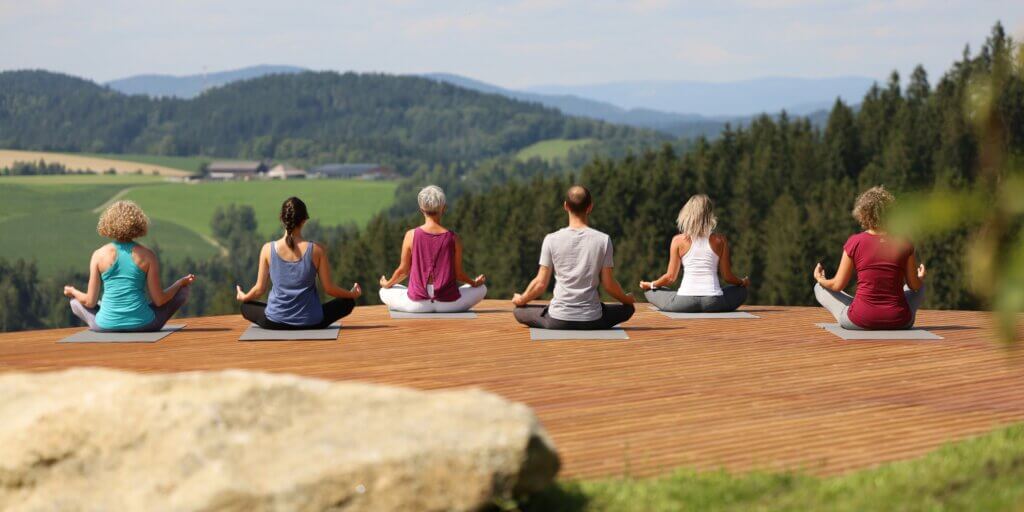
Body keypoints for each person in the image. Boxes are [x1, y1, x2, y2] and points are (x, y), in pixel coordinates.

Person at [512, 185, 635, 329]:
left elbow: (540, 284)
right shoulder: (603, 240)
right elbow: (609, 285)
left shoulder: (551, 239)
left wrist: (522, 299)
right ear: (590, 207)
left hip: (558, 320)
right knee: (628, 309)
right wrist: (627, 299)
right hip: (592, 319)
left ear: (566, 206)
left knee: (519, 311)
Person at [63, 200, 195, 331]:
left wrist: (72, 291)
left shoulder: (98, 255)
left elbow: (90, 302)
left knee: (75, 301)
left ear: (108, 223)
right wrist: (179, 283)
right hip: (145, 324)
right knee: (183, 291)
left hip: (105, 325)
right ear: (138, 224)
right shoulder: (148, 255)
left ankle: (105, 311)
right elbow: (159, 301)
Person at [236, 197, 362, 329]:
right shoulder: (317, 250)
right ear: (304, 220)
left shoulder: (267, 249)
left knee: (246, 307)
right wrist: (351, 294)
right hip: (311, 321)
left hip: (275, 322)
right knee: (347, 302)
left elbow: (259, 289)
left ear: (282, 219)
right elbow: (329, 289)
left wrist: (244, 296)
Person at [813, 186, 926, 330]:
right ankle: (867, 306)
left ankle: (863, 306)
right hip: (900, 321)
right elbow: (914, 286)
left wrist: (820, 278)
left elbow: (837, 285)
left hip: (860, 320)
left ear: (863, 214)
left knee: (819, 288)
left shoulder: (855, 242)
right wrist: (920, 278)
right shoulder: (903, 242)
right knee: (921, 288)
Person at [379, 185, 487, 312]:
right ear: (443, 208)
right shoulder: (453, 238)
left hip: (416, 304)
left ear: (421, 210)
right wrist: (474, 283)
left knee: (384, 291)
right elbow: (458, 274)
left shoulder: (411, 235)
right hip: (449, 304)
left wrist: (387, 284)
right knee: (482, 289)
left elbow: (403, 271)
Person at [639, 194, 750, 312]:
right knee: (741, 290)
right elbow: (727, 277)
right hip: (713, 302)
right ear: (709, 214)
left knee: (651, 291)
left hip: (684, 303)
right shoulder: (720, 240)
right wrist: (742, 282)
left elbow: (670, 277)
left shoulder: (678, 240)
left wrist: (651, 285)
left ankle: (652, 288)